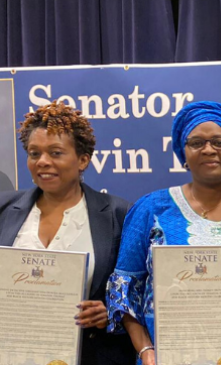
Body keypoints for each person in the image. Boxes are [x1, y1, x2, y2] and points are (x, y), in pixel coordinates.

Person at [106, 101, 221, 365]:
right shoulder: (151, 209)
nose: (208, 149)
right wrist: (146, 351)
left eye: (220, 142)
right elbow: (124, 290)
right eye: (196, 143)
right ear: (183, 153)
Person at [0, 101, 135, 364]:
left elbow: (143, 291)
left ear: (83, 159)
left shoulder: (119, 214)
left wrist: (111, 312)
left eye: (56, 152)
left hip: (93, 355)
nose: (43, 162)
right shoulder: (3, 210)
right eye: (34, 153)